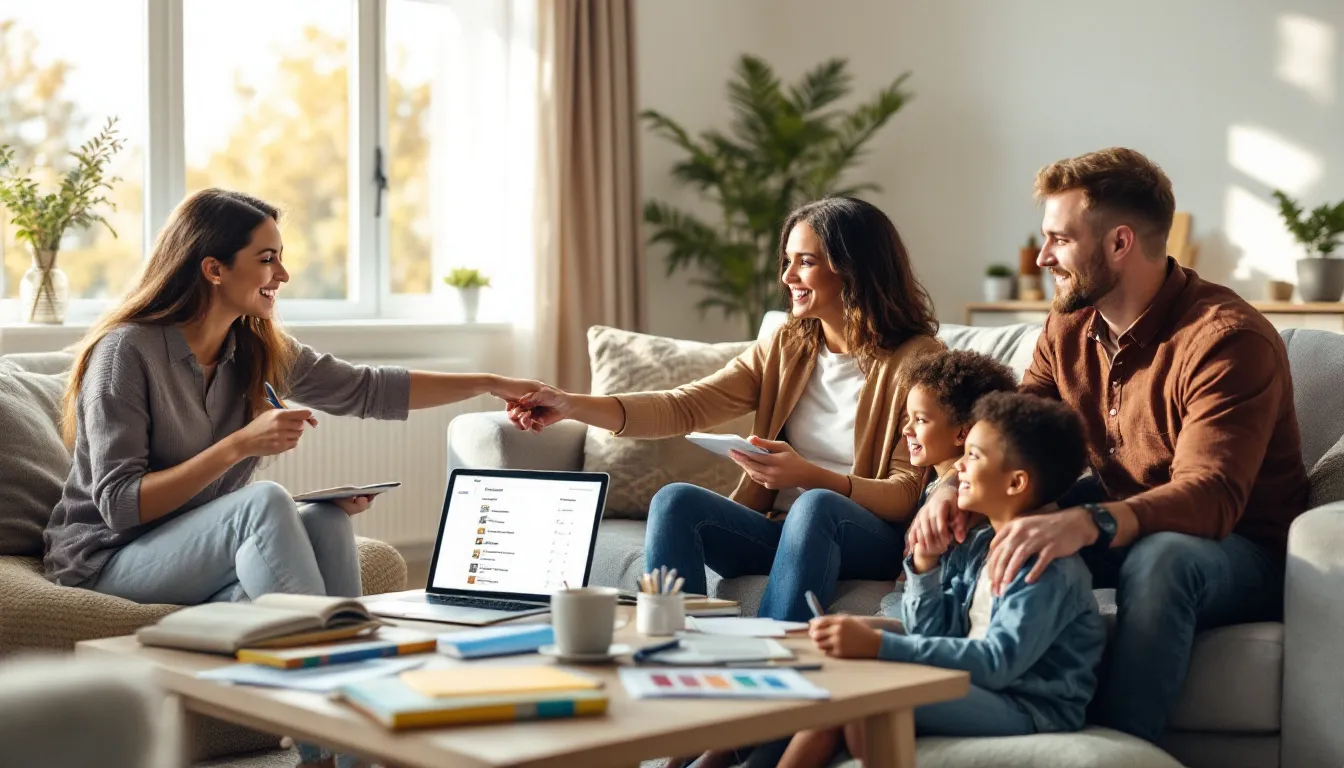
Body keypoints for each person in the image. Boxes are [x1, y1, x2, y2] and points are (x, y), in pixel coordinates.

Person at [42, 189, 541, 768]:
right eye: (267, 258)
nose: (284, 272)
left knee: (324, 518)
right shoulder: (125, 352)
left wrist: (489, 382)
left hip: (193, 553)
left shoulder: (255, 346)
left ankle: (330, 754)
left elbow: (367, 388)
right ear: (213, 268)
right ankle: (349, 740)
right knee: (264, 501)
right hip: (107, 558)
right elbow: (121, 506)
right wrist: (239, 446)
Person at [910, 147, 1310, 742]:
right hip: (1124, 512)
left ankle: (1122, 752)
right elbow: (1017, 431)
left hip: (1237, 547)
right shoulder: (1068, 322)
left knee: (1163, 558)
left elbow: (1212, 496)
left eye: (1059, 240)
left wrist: (1085, 522)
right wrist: (951, 486)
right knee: (984, 519)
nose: (1043, 256)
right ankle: (945, 693)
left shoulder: (1226, 340)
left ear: (1119, 243)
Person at [506, 196, 941, 623]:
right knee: (675, 501)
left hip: (862, 537)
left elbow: (904, 493)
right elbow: (682, 406)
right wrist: (569, 405)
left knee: (817, 506)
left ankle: (771, 653)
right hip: (781, 530)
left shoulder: (916, 360)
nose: (788, 275)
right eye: (787, 260)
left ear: (854, 269)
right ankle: (676, 647)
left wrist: (808, 477)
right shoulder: (787, 345)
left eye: (805, 261)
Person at [788, 393, 1104, 768]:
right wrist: (925, 565)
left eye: (973, 456)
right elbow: (935, 631)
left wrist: (878, 646)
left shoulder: (1048, 568)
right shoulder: (982, 543)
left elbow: (997, 662)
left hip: (1028, 705)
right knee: (848, 686)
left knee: (866, 695)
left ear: (1016, 482)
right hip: (980, 686)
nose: (960, 469)